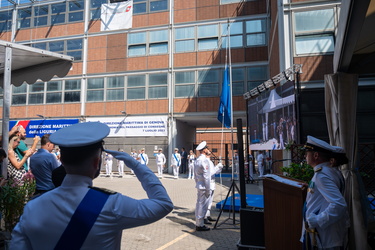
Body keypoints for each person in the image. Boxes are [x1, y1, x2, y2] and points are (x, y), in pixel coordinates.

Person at [10, 122, 173, 249]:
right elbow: (164, 204)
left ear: (62, 160)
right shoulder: (112, 204)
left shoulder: (33, 207)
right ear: (97, 162)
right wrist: (135, 164)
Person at [301, 136, 349, 249]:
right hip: (324, 235)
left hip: (324, 237)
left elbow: (339, 204)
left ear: (316, 155)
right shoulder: (329, 171)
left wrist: (318, 220)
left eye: (307, 153)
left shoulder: (322, 176)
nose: (305, 156)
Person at [194, 141, 212, 231]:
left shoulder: (197, 160)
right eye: (207, 148)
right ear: (204, 150)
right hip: (204, 186)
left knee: (199, 204)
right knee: (202, 206)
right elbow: (207, 177)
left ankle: (198, 222)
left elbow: (195, 175)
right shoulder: (204, 160)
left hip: (199, 184)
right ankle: (200, 224)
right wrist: (208, 189)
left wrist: (197, 183)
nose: (208, 150)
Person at [204, 153, 223, 225]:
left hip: (212, 183)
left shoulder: (210, 161)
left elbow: (215, 172)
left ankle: (207, 215)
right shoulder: (206, 162)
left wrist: (219, 168)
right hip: (208, 184)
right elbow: (211, 172)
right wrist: (217, 166)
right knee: (207, 201)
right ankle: (204, 217)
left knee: (210, 201)